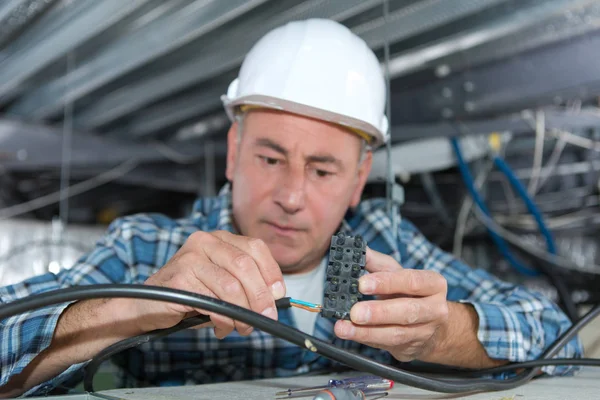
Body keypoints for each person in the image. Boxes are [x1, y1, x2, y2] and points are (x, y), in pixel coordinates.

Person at [0, 18, 581, 398]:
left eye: (323, 170)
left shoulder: (383, 246)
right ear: (233, 152)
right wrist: (134, 305)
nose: (292, 195)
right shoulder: (148, 247)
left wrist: (443, 334)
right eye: (271, 158)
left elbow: (559, 338)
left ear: (358, 182)